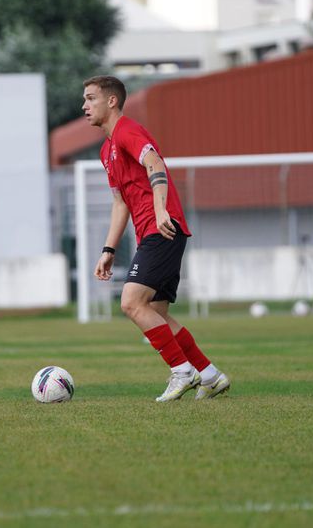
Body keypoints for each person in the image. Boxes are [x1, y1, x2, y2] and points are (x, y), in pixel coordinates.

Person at [82, 75, 230, 402]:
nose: (84, 105)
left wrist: (161, 209)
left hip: (162, 229)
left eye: (91, 98)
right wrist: (109, 249)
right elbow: (120, 202)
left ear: (111, 101)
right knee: (156, 313)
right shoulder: (107, 150)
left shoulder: (128, 131)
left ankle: (182, 371)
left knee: (131, 303)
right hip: (154, 230)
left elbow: (155, 164)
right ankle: (209, 374)